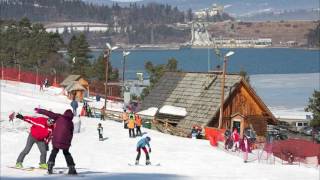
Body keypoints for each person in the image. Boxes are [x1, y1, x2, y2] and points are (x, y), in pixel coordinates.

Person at [35, 108, 77, 175]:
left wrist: (40, 110)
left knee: (54, 151)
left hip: (56, 139)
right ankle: (72, 168)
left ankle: (50, 167)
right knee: (66, 153)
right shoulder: (71, 123)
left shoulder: (59, 117)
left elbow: (49, 113)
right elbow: (71, 134)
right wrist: (69, 142)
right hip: (66, 141)